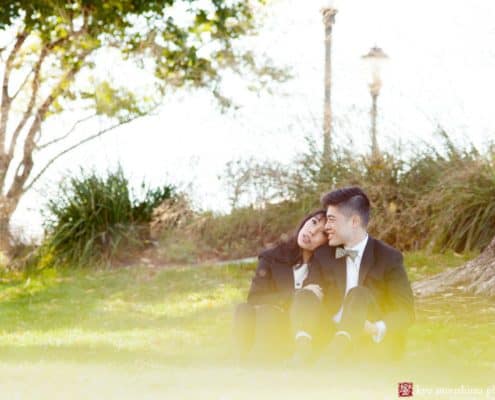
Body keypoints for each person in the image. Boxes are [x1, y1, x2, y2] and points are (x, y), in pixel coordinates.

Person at [311, 186, 415, 362]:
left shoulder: (388, 257)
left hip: (368, 339)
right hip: (329, 333)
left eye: (331, 220)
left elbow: (405, 311)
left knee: (358, 293)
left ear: (354, 222)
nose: (326, 226)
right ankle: (309, 352)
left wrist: (375, 328)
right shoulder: (323, 255)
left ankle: (338, 353)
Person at [233, 209, 328, 364]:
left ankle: (301, 354)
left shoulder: (325, 266)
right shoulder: (272, 256)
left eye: (321, 233)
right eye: (313, 222)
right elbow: (255, 298)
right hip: (271, 323)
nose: (311, 232)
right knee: (244, 309)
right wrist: (295, 294)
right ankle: (245, 361)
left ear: (327, 241)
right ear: (305, 221)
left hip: (304, 329)